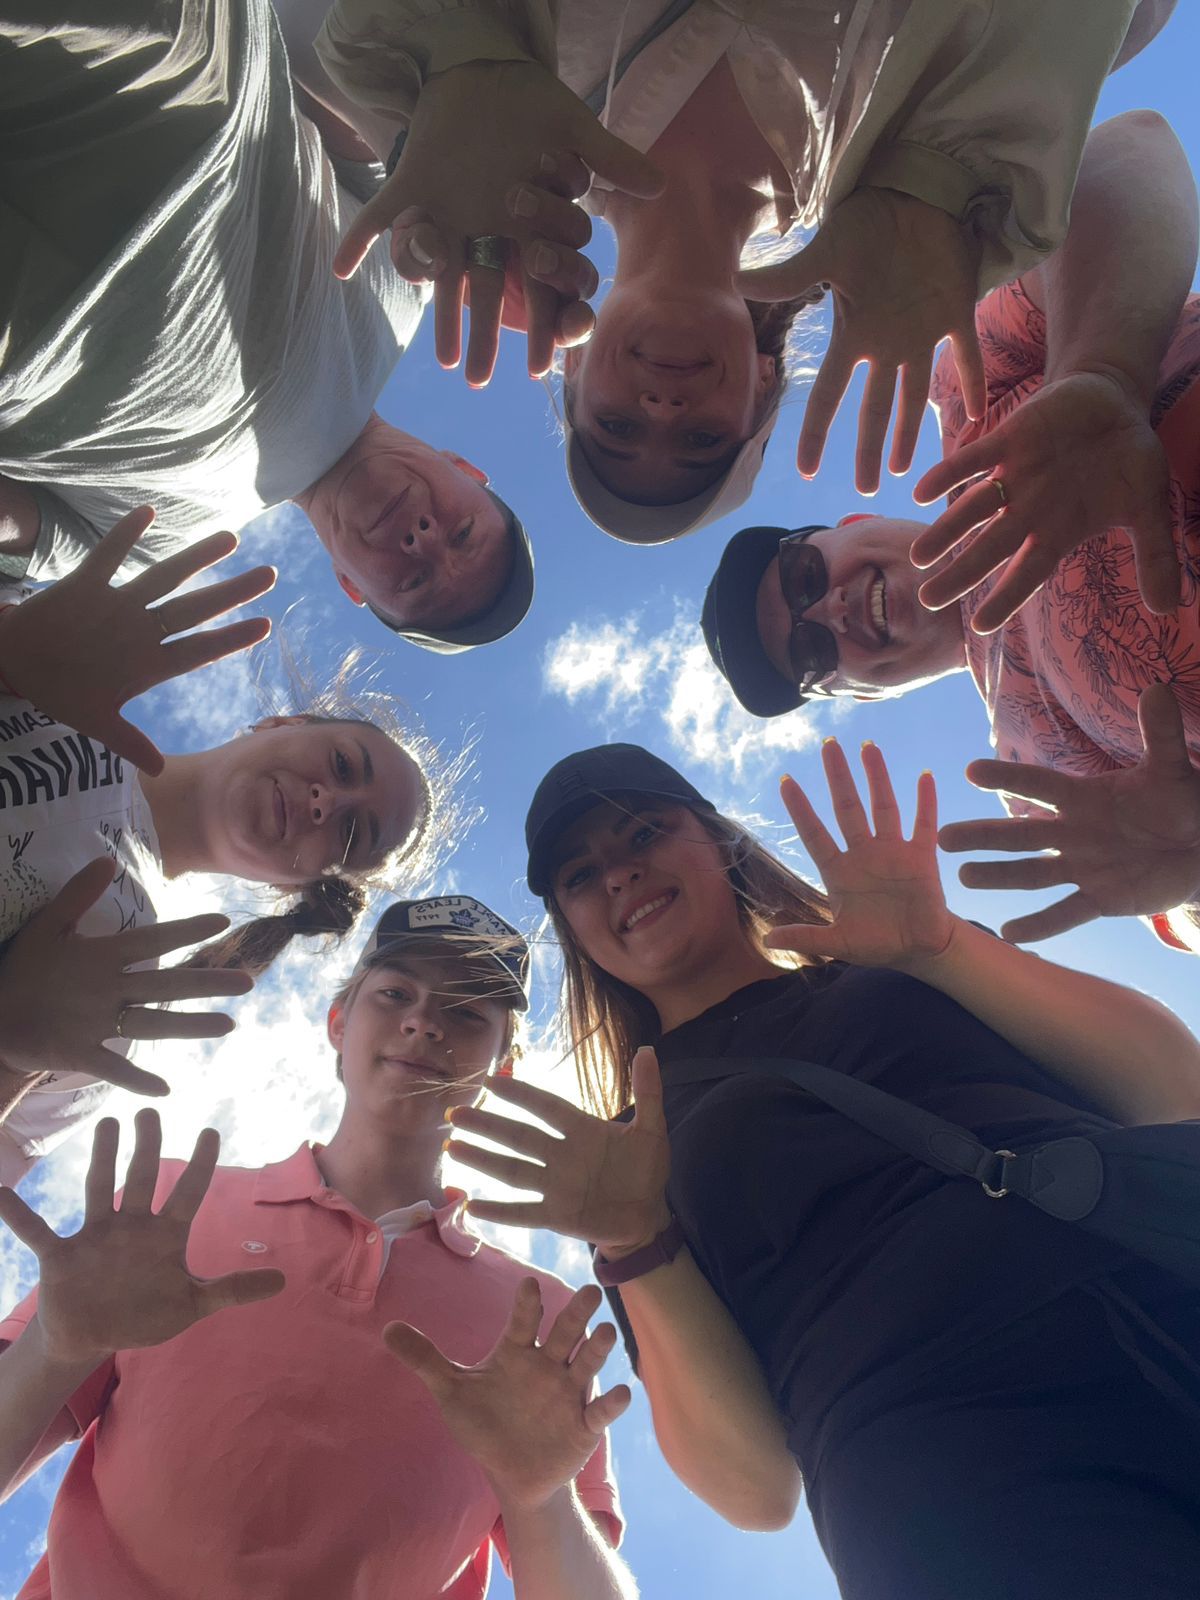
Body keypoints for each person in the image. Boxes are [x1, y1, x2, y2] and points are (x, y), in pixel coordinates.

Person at [444, 737, 1200, 1599]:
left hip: (1161, 1277)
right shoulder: (629, 1152)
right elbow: (754, 1490)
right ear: (573, 928)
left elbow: (1172, 1087)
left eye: (644, 831)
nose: (619, 874)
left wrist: (943, 948)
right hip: (941, 1465)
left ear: (719, 838)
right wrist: (633, 1238)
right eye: (580, 876)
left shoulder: (903, 953)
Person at [320, 0, 1174, 538]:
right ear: (763, 385)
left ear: (572, 368)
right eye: (700, 441)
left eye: (616, 427)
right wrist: (941, 177)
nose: (662, 411)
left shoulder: (509, 111)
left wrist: (466, 49)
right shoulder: (918, 202)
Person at [0, 894, 632, 1600]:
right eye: (396, 994)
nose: (424, 1022)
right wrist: (53, 1347)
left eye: (467, 1013)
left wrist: (542, 1497)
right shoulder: (166, 1213)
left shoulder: (540, 1323)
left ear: (501, 1070)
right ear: (339, 1022)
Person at [703, 110, 1200, 953]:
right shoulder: (1032, 774)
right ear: (864, 694)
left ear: (852, 523)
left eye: (800, 577)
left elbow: (1123, 152)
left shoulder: (970, 393)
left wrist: (1102, 371)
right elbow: (1179, 914)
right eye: (810, 656)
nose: (826, 613)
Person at [0, 0, 558, 654]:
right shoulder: (409, 280)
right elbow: (331, 63)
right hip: (150, 63)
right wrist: (429, 149)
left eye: (415, 580)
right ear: (466, 468)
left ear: (351, 586)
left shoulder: (149, 552)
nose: (423, 540)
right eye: (463, 534)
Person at [0, 512, 444, 1182]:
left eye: (350, 835)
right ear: (282, 722)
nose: (325, 801)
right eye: (342, 764)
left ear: (301, 884)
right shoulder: (69, 675)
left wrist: (11, 1056)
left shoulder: (124, 991)